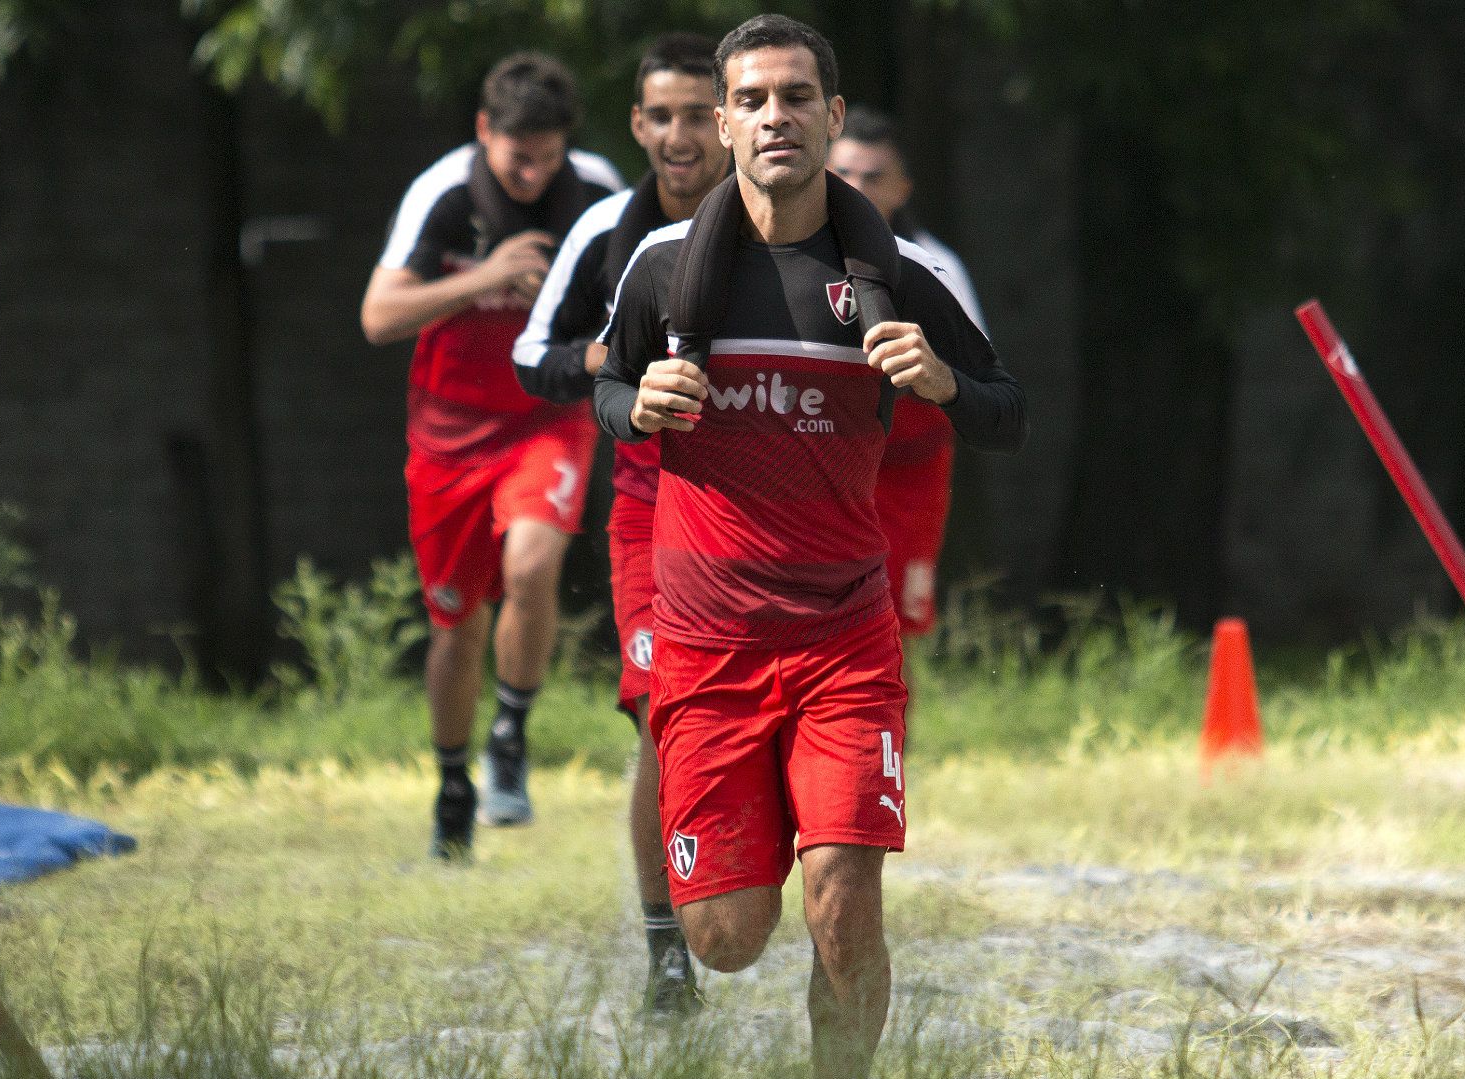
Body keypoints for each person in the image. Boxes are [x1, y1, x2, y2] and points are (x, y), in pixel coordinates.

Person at [592, 15, 1025, 1077]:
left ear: (832, 118)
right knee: (727, 936)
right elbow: (606, 388)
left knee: (843, 889)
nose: (773, 117)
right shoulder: (659, 269)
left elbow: (1007, 410)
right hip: (709, 646)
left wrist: (943, 383)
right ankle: (761, 818)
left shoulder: (900, 277)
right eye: (752, 99)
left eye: (795, 97)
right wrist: (633, 402)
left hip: (844, 638)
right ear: (722, 123)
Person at [511, 31, 729, 1016]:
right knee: (659, 714)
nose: (680, 135)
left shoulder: (783, 220)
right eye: (662, 116)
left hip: (777, 499)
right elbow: (534, 354)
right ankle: (665, 951)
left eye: (698, 114)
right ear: (638, 125)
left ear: (728, 120)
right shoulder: (608, 230)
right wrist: (613, 363)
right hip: (651, 504)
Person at [360, 52, 623, 859]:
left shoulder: (595, 190)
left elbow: (636, 291)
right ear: (484, 131)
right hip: (447, 434)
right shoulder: (442, 192)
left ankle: (508, 736)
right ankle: (452, 783)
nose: (533, 173)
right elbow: (378, 315)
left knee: (534, 564)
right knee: (455, 625)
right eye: (519, 156)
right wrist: (483, 280)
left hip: (547, 414)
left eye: (547, 155)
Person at [831, 106, 988, 648]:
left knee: (891, 632)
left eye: (873, 177)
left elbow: (980, 384)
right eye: (844, 174)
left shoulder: (934, 267)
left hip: (908, 471)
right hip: (824, 464)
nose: (856, 188)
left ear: (902, 189)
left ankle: (891, 737)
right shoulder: (792, 260)